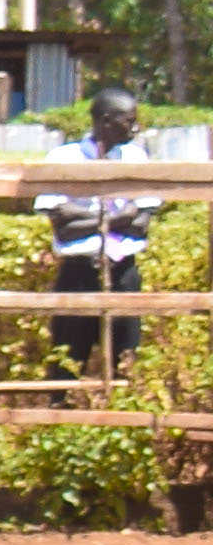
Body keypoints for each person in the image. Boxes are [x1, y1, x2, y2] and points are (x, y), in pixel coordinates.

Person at [43, 81, 160, 376]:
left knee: (126, 359)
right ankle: (60, 416)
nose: (135, 128)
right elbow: (63, 227)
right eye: (128, 121)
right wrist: (118, 217)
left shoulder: (137, 158)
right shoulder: (64, 158)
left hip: (123, 271)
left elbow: (142, 224)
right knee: (67, 359)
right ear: (106, 121)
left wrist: (87, 217)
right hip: (79, 272)